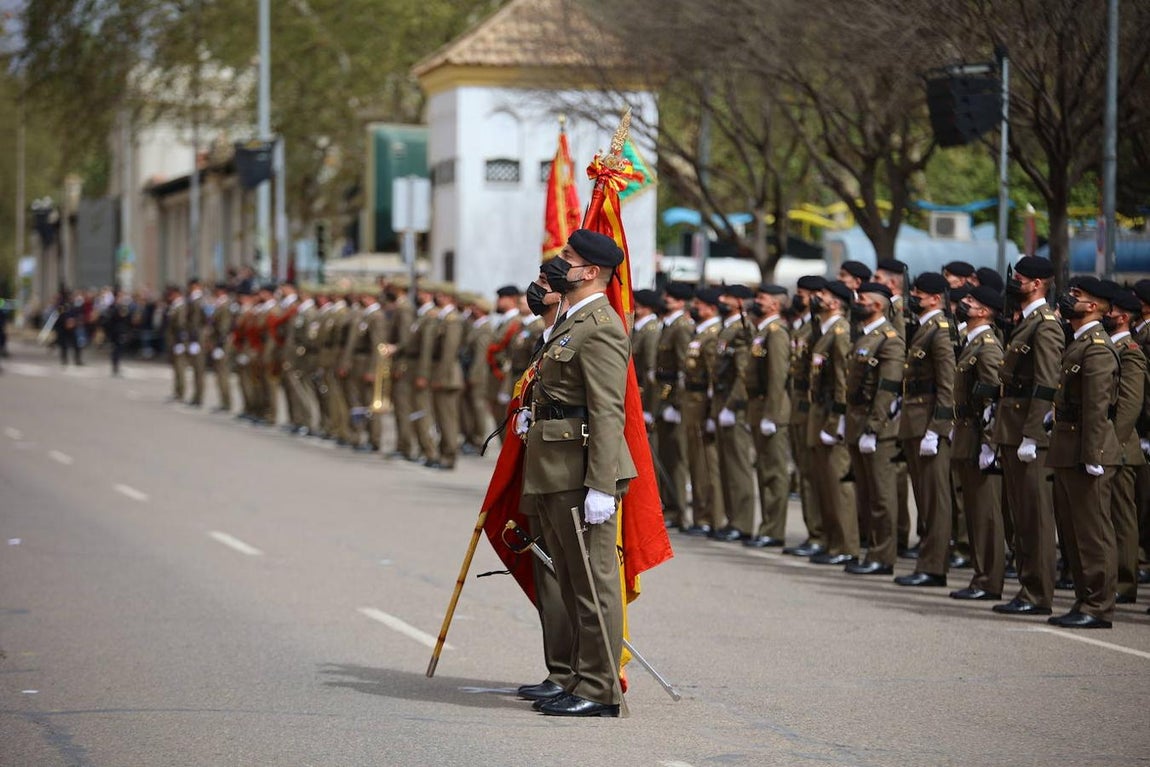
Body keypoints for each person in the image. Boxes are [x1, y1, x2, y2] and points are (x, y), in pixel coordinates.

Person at [520, 229, 635, 717]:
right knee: (568, 579)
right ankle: (573, 676)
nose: (557, 262)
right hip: (553, 465)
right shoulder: (572, 321)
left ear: (590, 272)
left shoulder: (602, 325)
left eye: (567, 257)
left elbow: (610, 411)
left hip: (580, 470)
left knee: (592, 582)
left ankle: (600, 690)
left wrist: (601, 486)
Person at [1046, 278, 1121, 628]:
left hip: (1086, 450)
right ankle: (1083, 599)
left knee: (1093, 533)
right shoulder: (1078, 343)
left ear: (1093, 306)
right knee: (1074, 533)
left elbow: (1096, 407)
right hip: (1067, 447)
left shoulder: (1098, 348)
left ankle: (1098, 606)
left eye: (1077, 296)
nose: (1068, 299)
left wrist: (1093, 454)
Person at [992, 256, 1064, 617]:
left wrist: (1034, 435)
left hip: (1028, 434)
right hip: (1010, 429)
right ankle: (1026, 587)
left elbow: (1047, 383)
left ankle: (1038, 594)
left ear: (1037, 284)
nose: (1013, 282)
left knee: (1034, 519)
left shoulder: (1046, 325)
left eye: (1019, 278)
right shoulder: (1026, 322)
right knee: (1018, 516)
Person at [895, 273, 956, 588]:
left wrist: (938, 427)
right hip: (915, 423)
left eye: (919, 292)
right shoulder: (923, 329)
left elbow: (947, 385)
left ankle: (934, 567)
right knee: (925, 499)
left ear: (935, 299)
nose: (914, 296)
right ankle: (927, 562)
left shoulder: (939, 331)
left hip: (929, 425)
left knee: (935, 501)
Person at [843, 282, 905, 575]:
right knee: (865, 495)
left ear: (878, 305)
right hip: (857, 423)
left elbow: (887, 389)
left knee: (882, 496)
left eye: (862, 298)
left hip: (877, 429)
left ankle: (883, 556)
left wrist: (874, 427)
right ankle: (869, 549)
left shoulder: (889, 340)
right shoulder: (864, 337)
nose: (856, 302)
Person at [949, 286, 1006, 601]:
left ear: (985, 312)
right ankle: (981, 575)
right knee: (974, 510)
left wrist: (989, 445)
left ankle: (989, 580)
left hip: (979, 438)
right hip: (967, 434)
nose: (964, 304)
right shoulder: (971, 344)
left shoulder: (986, 348)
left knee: (986, 514)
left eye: (971, 302)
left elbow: (993, 401)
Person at [806, 280, 858, 566]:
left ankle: (847, 545)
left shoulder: (840, 332)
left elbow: (841, 382)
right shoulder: (824, 331)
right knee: (823, 483)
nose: (818, 297)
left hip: (831, 416)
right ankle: (831, 541)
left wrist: (837, 421)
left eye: (823, 294)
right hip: (820, 414)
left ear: (837, 302)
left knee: (838, 484)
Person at [1103, 284, 1146, 605]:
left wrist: (1112, 444)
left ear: (1124, 315)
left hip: (1119, 446)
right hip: (1106, 444)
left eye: (1110, 309)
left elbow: (1130, 406)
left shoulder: (1130, 351)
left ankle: (1125, 583)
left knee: (1122, 519)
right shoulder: (1108, 346)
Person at [745, 284, 791, 548]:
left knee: (774, 473)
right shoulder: (763, 331)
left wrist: (771, 415)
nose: (757, 301)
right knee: (764, 472)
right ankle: (767, 526)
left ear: (775, 304)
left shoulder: (776, 333)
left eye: (762, 298)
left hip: (771, 411)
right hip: (759, 408)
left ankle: (774, 530)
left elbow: (777, 377)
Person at [653, 282, 695, 529]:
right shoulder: (669, 326)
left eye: (672, 296)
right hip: (664, 398)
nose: (666, 299)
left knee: (677, 460)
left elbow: (683, 371)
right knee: (667, 457)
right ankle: (670, 508)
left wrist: (677, 405)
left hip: (674, 401)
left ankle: (680, 511)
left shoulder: (681, 328)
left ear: (681, 302)